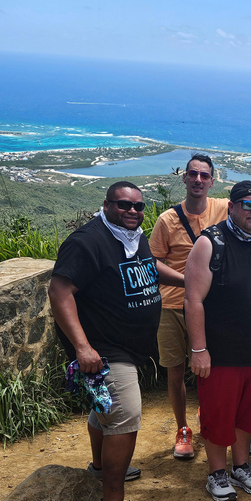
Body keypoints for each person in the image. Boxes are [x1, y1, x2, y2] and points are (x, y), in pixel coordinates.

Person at [48, 181, 183, 501]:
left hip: (127, 346)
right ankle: (112, 491)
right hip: (105, 349)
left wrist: (187, 280)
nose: (132, 211)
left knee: (104, 409)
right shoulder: (88, 241)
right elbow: (59, 291)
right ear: (107, 204)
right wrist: (82, 347)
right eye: (124, 205)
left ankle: (98, 466)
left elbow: (148, 267)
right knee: (125, 417)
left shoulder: (133, 237)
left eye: (138, 206)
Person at [184, 180, 251, 501]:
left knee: (249, 413)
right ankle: (216, 473)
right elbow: (193, 300)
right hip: (219, 354)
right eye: (248, 204)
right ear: (232, 207)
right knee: (218, 415)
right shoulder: (210, 243)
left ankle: (241, 466)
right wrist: (199, 349)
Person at [148, 153, 229, 459]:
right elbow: (152, 261)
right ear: (183, 177)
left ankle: (207, 421)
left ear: (212, 180)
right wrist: (188, 282)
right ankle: (183, 428)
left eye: (204, 175)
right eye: (192, 174)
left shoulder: (223, 208)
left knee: (211, 371)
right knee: (175, 371)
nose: (198, 180)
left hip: (212, 308)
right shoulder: (167, 220)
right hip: (171, 305)